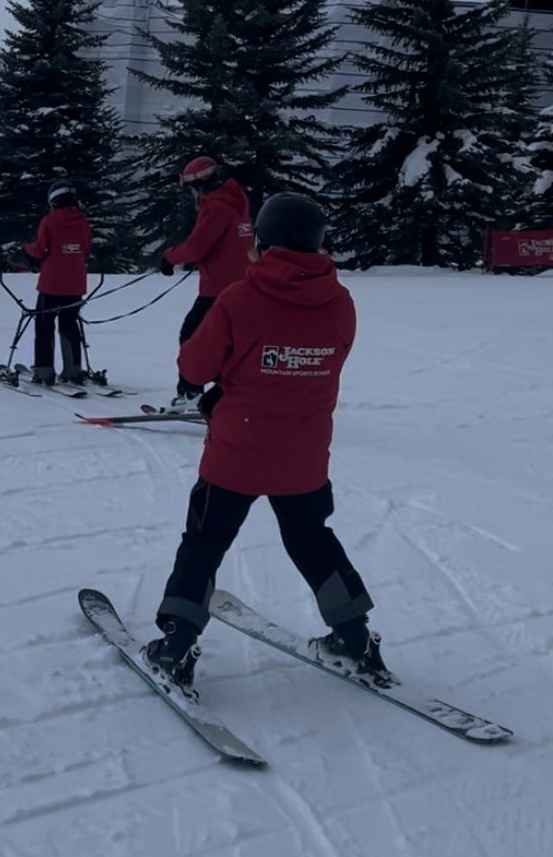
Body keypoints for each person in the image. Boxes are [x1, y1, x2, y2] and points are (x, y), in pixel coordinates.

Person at [146, 191, 384, 692]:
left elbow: (194, 368)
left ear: (266, 241)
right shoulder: (341, 301)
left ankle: (176, 645)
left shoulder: (240, 297)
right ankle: (355, 637)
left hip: (237, 453)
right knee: (312, 540)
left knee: (204, 544)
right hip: (304, 456)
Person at [159, 156, 252, 407]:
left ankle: (190, 393)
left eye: (191, 186)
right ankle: (227, 394)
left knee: (193, 337)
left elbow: (198, 246)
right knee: (230, 343)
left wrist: (169, 258)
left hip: (218, 288)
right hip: (242, 286)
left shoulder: (217, 206)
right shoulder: (237, 201)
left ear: (201, 184)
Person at [23, 182, 93, 385]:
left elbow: (41, 249)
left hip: (51, 283)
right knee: (70, 325)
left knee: (44, 325)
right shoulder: (83, 222)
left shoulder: (50, 220)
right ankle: (73, 369)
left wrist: (26, 249)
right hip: (76, 283)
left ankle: (44, 370)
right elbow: (86, 249)